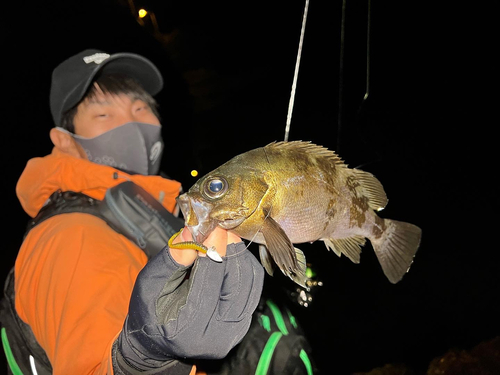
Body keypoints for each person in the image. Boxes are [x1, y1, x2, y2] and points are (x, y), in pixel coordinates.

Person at [0, 49, 264, 374]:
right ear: (65, 141)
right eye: (104, 115)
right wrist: (143, 357)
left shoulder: (151, 217)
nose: (132, 125)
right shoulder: (76, 236)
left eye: (140, 108)